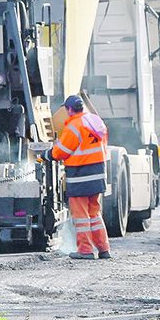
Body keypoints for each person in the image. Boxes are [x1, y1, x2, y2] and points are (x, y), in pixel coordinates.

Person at [50, 95, 112, 260]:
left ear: (70, 109)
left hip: (80, 176)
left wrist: (48, 154)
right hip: (98, 174)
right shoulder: (96, 122)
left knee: (81, 216)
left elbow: (61, 151)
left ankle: (85, 250)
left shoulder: (74, 126)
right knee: (95, 214)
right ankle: (104, 249)